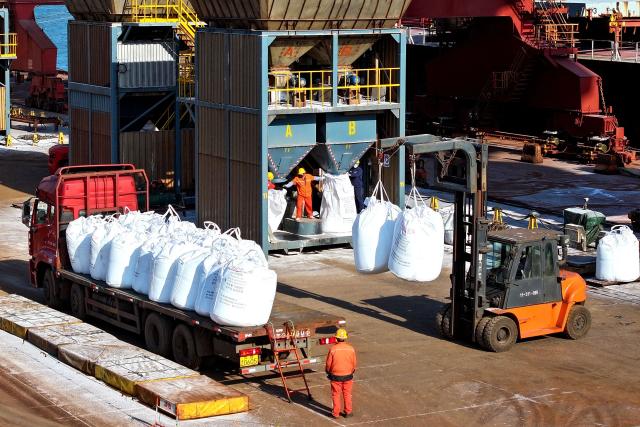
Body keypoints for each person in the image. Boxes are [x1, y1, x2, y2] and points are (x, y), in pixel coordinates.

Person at [325, 328, 356, 419]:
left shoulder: (333, 349)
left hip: (335, 376)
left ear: (336, 338)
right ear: (345, 338)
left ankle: (336, 413)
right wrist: (352, 371)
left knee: (336, 394)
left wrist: (328, 371)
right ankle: (348, 412)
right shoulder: (351, 349)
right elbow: (354, 363)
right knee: (347, 393)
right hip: (348, 375)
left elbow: (328, 364)